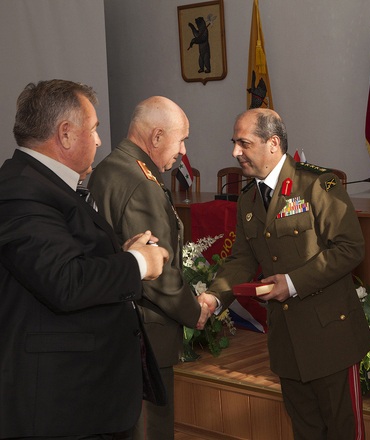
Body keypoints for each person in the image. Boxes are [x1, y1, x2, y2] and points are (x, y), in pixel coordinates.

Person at [0, 80, 168, 439]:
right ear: (65, 134)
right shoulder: (21, 189)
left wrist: (122, 254)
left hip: (85, 395)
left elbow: (62, 259)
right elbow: (64, 281)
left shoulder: (45, 184)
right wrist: (139, 264)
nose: (98, 141)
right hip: (63, 405)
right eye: (92, 129)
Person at [203, 108, 370, 440]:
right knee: (305, 433)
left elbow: (350, 249)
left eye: (244, 143)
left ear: (273, 143)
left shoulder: (318, 184)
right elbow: (241, 260)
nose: (235, 152)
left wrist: (292, 283)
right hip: (286, 342)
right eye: (234, 143)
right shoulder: (248, 199)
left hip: (330, 338)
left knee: (344, 432)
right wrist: (214, 297)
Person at [89, 96, 213, 440]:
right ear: (157, 136)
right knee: (149, 430)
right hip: (143, 337)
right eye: (181, 139)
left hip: (113, 329)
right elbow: (155, 271)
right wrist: (194, 312)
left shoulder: (110, 167)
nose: (184, 151)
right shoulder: (141, 183)